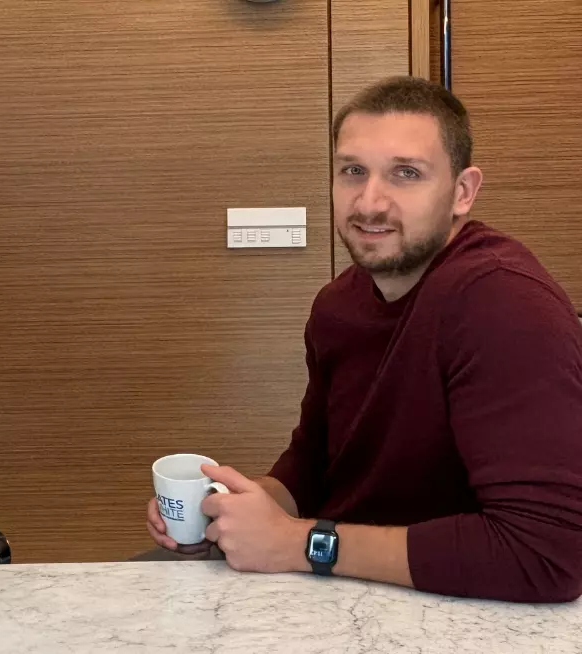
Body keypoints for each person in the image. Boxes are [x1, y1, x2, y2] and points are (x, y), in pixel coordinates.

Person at [146, 76, 582, 603]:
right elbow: (312, 466)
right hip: (343, 588)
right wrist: (230, 512)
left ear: (462, 192)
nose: (370, 203)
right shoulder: (337, 306)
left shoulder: (504, 304)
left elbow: (545, 555)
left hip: (463, 608)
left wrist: (303, 544)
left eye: (406, 174)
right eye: (353, 170)